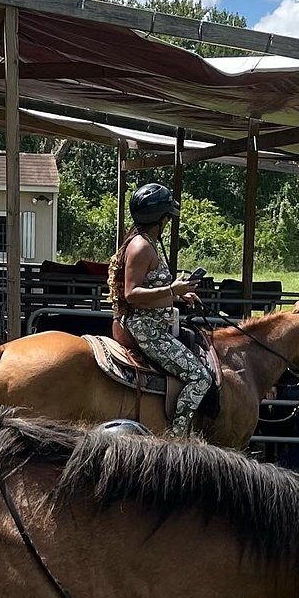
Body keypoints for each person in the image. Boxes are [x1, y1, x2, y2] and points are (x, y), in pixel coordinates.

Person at [107, 182, 213, 437]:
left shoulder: (145, 242)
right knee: (200, 377)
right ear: (161, 218)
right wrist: (171, 291)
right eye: (167, 216)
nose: (168, 221)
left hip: (154, 323)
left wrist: (179, 295)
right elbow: (131, 294)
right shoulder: (142, 247)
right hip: (147, 330)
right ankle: (176, 438)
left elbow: (151, 287)